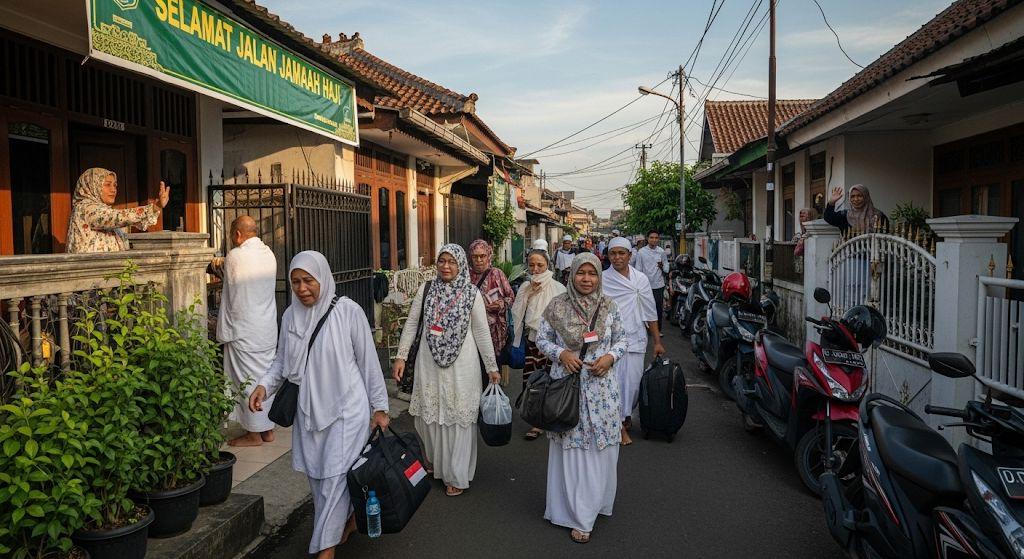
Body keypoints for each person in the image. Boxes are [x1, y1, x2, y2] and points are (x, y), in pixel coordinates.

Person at [249, 251, 389, 559]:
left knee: (335, 481)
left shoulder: (347, 312)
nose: (301, 288)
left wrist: (379, 406)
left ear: (323, 278)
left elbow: (368, 362)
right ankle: (350, 520)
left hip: (346, 412)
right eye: (295, 281)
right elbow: (282, 362)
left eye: (308, 280)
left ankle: (324, 551)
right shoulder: (290, 316)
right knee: (318, 480)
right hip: (308, 414)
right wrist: (263, 386)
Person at [392, 244, 500, 497]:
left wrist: (491, 367)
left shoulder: (471, 293)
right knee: (428, 417)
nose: (446, 266)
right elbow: (411, 324)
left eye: (452, 261)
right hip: (428, 362)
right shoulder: (426, 289)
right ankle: (435, 462)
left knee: (458, 419)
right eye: (442, 261)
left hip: (463, 366)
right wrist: (401, 356)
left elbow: (482, 332)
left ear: (461, 264)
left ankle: (456, 474)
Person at [535, 253, 627, 544]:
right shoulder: (557, 305)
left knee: (600, 450)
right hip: (568, 388)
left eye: (592, 273)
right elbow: (541, 338)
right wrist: (560, 354)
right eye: (581, 273)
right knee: (573, 449)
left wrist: (610, 358)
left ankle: (594, 505)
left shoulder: (609, 306)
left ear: (599, 276)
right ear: (571, 274)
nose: (587, 279)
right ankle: (577, 514)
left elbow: (623, 338)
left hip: (602, 390)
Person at [217, 215, 279, 447]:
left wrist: (224, 328)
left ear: (237, 234)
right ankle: (268, 429)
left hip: (245, 329)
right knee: (265, 377)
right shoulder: (269, 254)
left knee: (246, 380)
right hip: (266, 327)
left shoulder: (235, 256)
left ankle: (254, 434)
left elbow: (234, 298)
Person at [603, 237, 665, 445]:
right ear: (608, 255)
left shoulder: (641, 280)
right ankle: (617, 422)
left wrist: (657, 341)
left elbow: (650, 311)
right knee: (615, 382)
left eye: (622, 253)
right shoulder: (602, 279)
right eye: (613, 253)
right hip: (611, 340)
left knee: (633, 384)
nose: (617, 257)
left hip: (637, 338)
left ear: (630, 255)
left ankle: (626, 414)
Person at [511, 249, 567, 440]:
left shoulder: (559, 288)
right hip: (532, 342)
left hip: (553, 344)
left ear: (548, 265)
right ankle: (536, 421)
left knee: (552, 380)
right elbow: (516, 314)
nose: (535, 269)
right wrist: (527, 295)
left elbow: (565, 318)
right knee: (532, 380)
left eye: (540, 265)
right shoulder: (526, 286)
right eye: (532, 264)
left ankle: (552, 416)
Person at [66, 168, 170, 253]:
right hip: (92, 275)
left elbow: (128, 221)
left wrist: (157, 207)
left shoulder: (104, 210)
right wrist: (154, 207)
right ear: (92, 186)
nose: (113, 189)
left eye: (115, 185)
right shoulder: (84, 209)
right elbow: (117, 217)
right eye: (107, 184)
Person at [467, 239, 515, 375]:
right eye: (475, 256)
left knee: (493, 368)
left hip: (495, 332)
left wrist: (500, 304)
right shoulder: (465, 277)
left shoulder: (497, 274)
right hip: (472, 330)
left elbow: (511, 297)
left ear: (488, 256)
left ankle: (493, 394)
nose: (479, 260)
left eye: (482, 256)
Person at [630, 230, 669, 334]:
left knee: (657, 308)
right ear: (647, 239)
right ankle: (645, 329)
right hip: (645, 286)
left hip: (658, 284)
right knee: (645, 308)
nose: (654, 240)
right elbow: (638, 269)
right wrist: (638, 284)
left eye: (656, 238)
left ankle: (657, 330)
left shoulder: (661, 252)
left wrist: (663, 267)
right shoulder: (641, 252)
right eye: (652, 237)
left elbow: (666, 266)